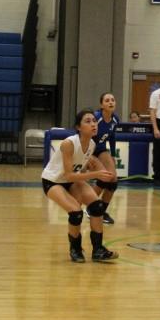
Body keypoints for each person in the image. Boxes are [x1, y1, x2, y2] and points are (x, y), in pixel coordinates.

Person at [41, 109, 119, 262]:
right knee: (76, 213)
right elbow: (69, 174)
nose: (93, 124)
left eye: (94, 121)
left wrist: (90, 167)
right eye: (88, 121)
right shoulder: (69, 143)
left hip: (70, 181)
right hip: (53, 181)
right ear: (78, 127)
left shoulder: (91, 144)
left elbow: (77, 169)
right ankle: (75, 249)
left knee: (97, 207)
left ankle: (98, 250)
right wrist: (96, 174)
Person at [92, 93, 119, 225]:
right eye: (107, 100)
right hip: (89, 150)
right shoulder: (96, 118)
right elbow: (81, 134)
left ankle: (101, 211)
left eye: (113, 100)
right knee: (104, 177)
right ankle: (90, 206)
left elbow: (112, 137)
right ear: (101, 105)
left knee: (113, 180)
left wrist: (113, 155)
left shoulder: (115, 119)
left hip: (101, 149)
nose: (110, 102)